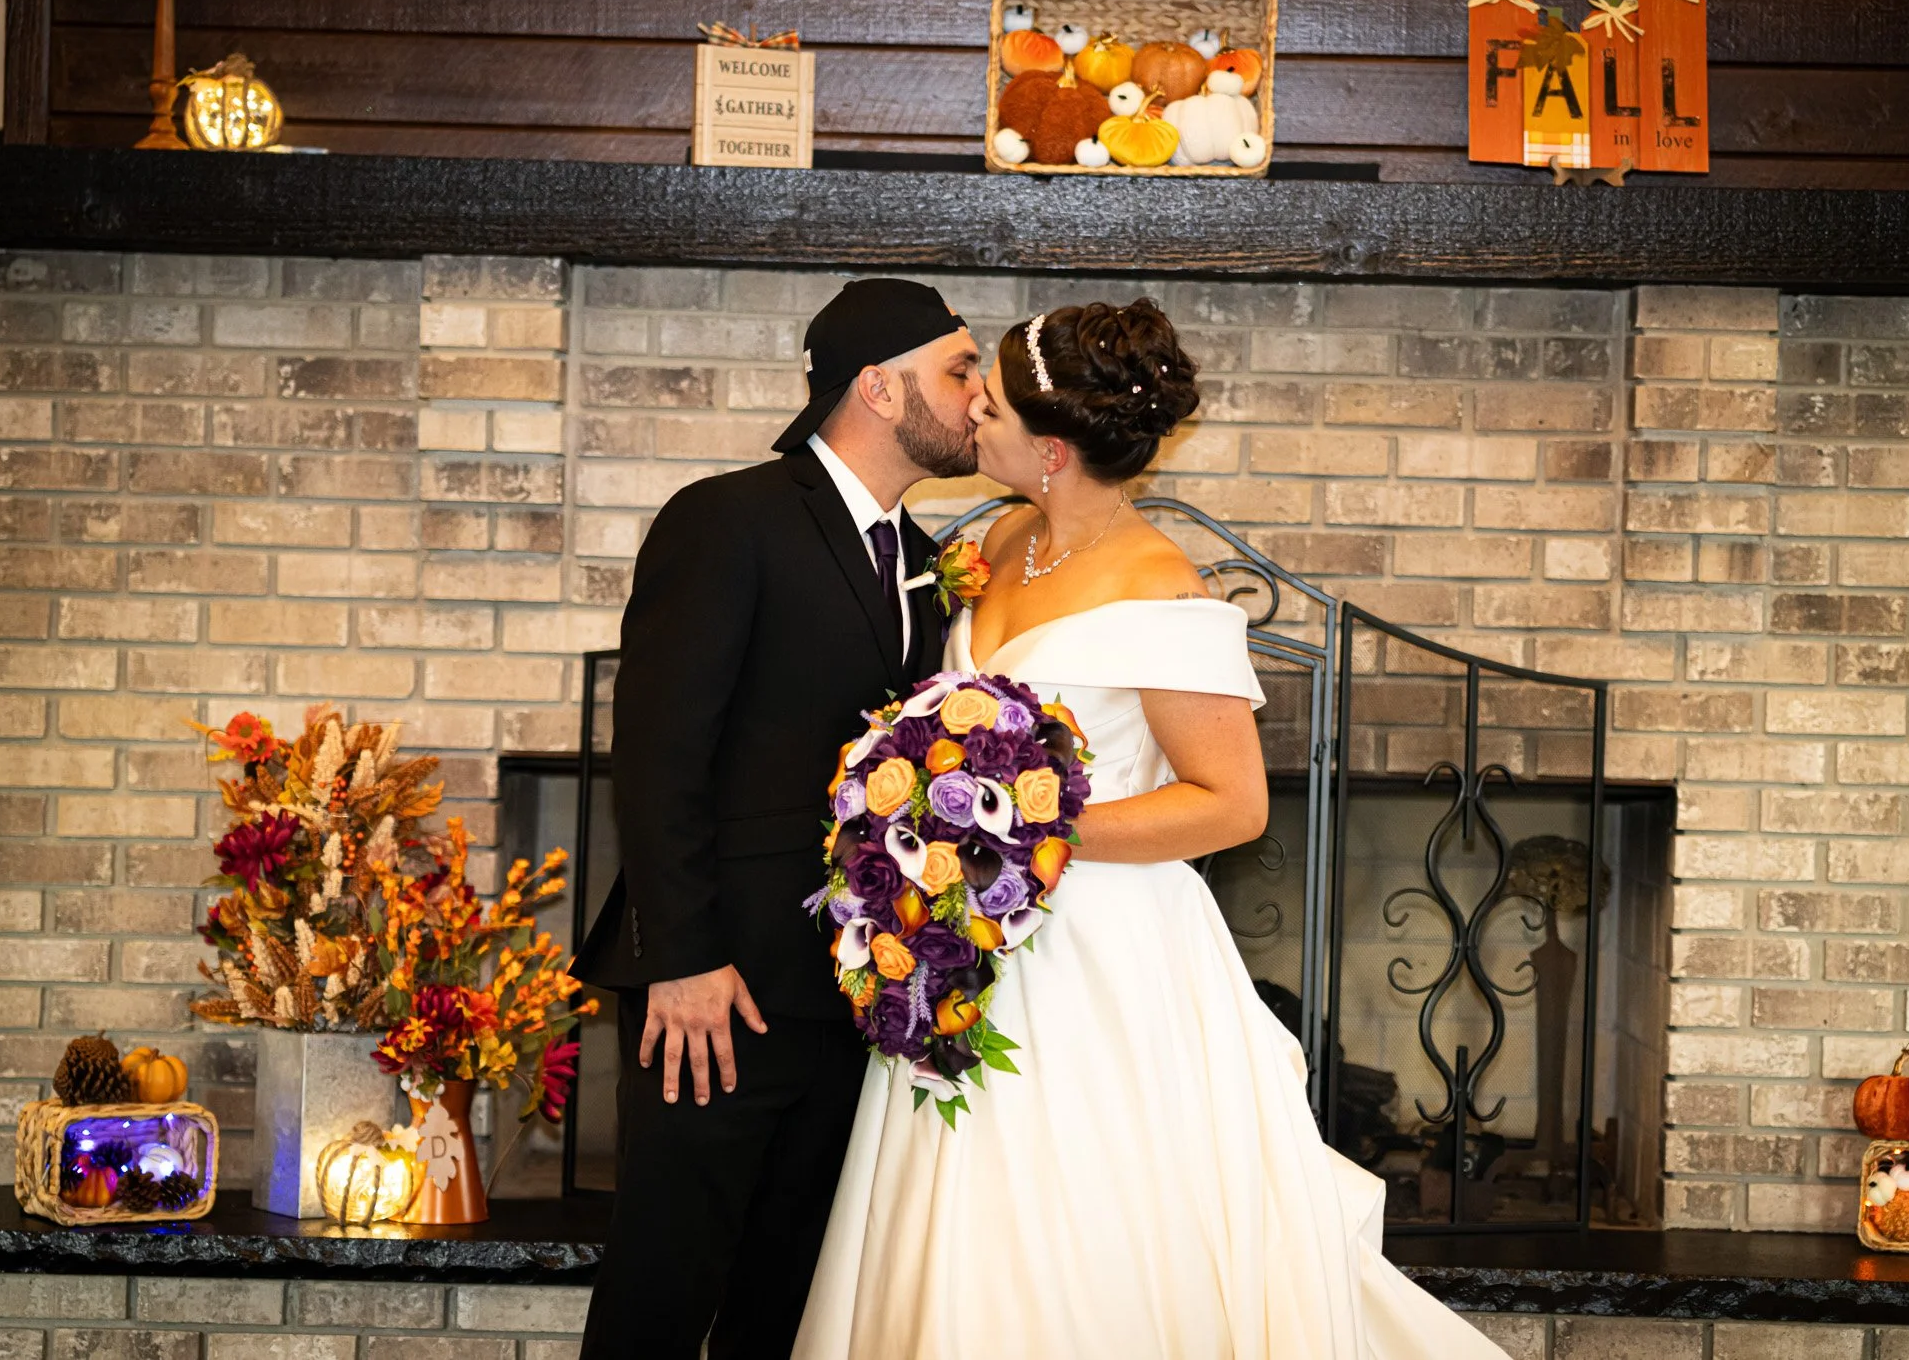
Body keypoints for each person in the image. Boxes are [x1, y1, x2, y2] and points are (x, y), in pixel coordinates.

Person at [793, 299, 1509, 1359]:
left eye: (991, 404)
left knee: (1085, 1218)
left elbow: (1232, 803)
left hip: (1102, 955)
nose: (971, 412)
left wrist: (1020, 834)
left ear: (1050, 448)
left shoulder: (1163, 588)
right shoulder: (999, 541)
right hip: (970, 940)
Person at [572, 278, 985, 1360]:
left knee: (788, 1310)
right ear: (878, 388)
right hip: (718, 991)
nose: (980, 396)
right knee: (661, 1299)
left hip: (849, 998)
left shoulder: (927, 564)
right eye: (959, 370)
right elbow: (659, 753)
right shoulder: (728, 518)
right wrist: (683, 958)